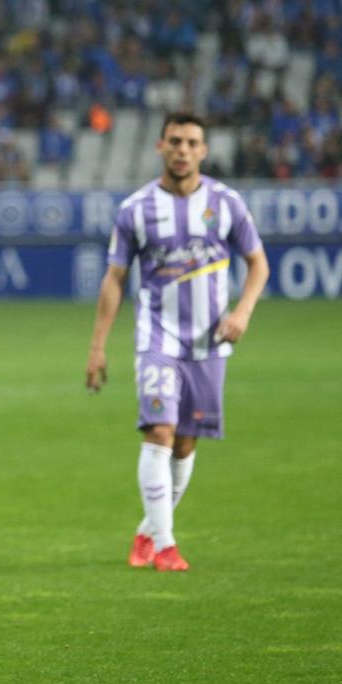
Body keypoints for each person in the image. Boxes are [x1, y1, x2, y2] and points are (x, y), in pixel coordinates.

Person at [85, 111, 268, 572]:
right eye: (175, 141)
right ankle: (166, 545)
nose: (182, 150)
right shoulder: (135, 209)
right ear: (160, 147)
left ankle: (147, 532)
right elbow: (114, 279)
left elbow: (258, 264)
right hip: (157, 339)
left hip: (208, 343)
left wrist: (243, 312)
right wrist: (97, 347)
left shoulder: (226, 204)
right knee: (160, 432)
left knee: (185, 444)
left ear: (203, 151)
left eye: (191, 142)